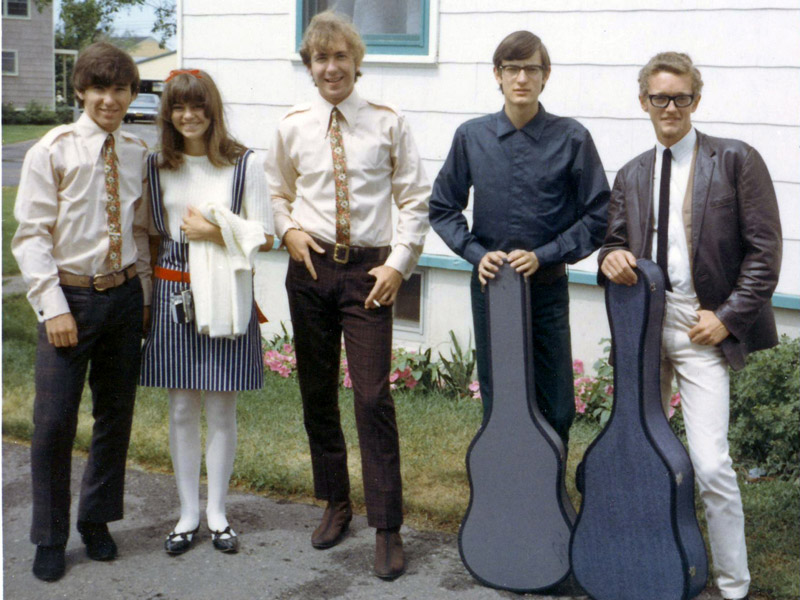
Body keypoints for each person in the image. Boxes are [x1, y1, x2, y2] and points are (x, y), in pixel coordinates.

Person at [598, 52, 782, 600]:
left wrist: (726, 320)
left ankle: (732, 584)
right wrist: (609, 258)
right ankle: (643, 558)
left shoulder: (734, 161)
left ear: (696, 100)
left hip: (703, 327)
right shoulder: (632, 172)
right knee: (637, 451)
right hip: (644, 329)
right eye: (659, 98)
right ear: (644, 103)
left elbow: (765, 254)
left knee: (711, 463)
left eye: (681, 97)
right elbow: (613, 242)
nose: (670, 107)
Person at [265, 10, 430, 580]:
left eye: (341, 57)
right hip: (310, 271)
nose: (331, 67)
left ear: (357, 62)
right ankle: (336, 503)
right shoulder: (292, 124)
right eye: (320, 58)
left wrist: (398, 265)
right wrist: (286, 230)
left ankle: (387, 526)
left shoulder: (387, 121)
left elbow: (413, 198)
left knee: (372, 397)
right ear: (309, 67)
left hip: (368, 275)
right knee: (316, 392)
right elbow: (276, 189)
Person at [11, 41, 151, 582]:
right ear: (80, 91)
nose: (109, 100)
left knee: (114, 417)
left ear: (132, 94)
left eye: (120, 89)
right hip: (69, 298)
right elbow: (31, 236)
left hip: (121, 299)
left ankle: (96, 520)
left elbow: (140, 230)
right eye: (99, 89)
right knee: (53, 423)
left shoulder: (137, 152)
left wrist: (140, 297)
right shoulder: (53, 150)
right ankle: (50, 535)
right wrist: (53, 307)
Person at [429, 31, 609, 443]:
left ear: (546, 76)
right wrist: (476, 253)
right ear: (498, 75)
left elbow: (599, 213)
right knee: (501, 397)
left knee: (558, 401)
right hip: (493, 288)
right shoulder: (472, 137)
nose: (522, 78)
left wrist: (546, 254)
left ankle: (550, 491)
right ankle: (504, 488)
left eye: (532, 69)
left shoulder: (572, 138)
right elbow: (442, 206)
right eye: (512, 68)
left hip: (546, 288)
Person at [138, 69, 274, 556]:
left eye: (197, 106)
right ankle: (187, 513)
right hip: (175, 293)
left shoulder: (244, 165)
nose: (188, 115)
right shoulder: (156, 165)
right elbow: (150, 234)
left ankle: (217, 512)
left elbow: (267, 235)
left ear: (212, 110)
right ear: (168, 114)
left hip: (226, 294)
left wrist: (216, 234)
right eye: (178, 107)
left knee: (219, 406)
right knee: (180, 408)